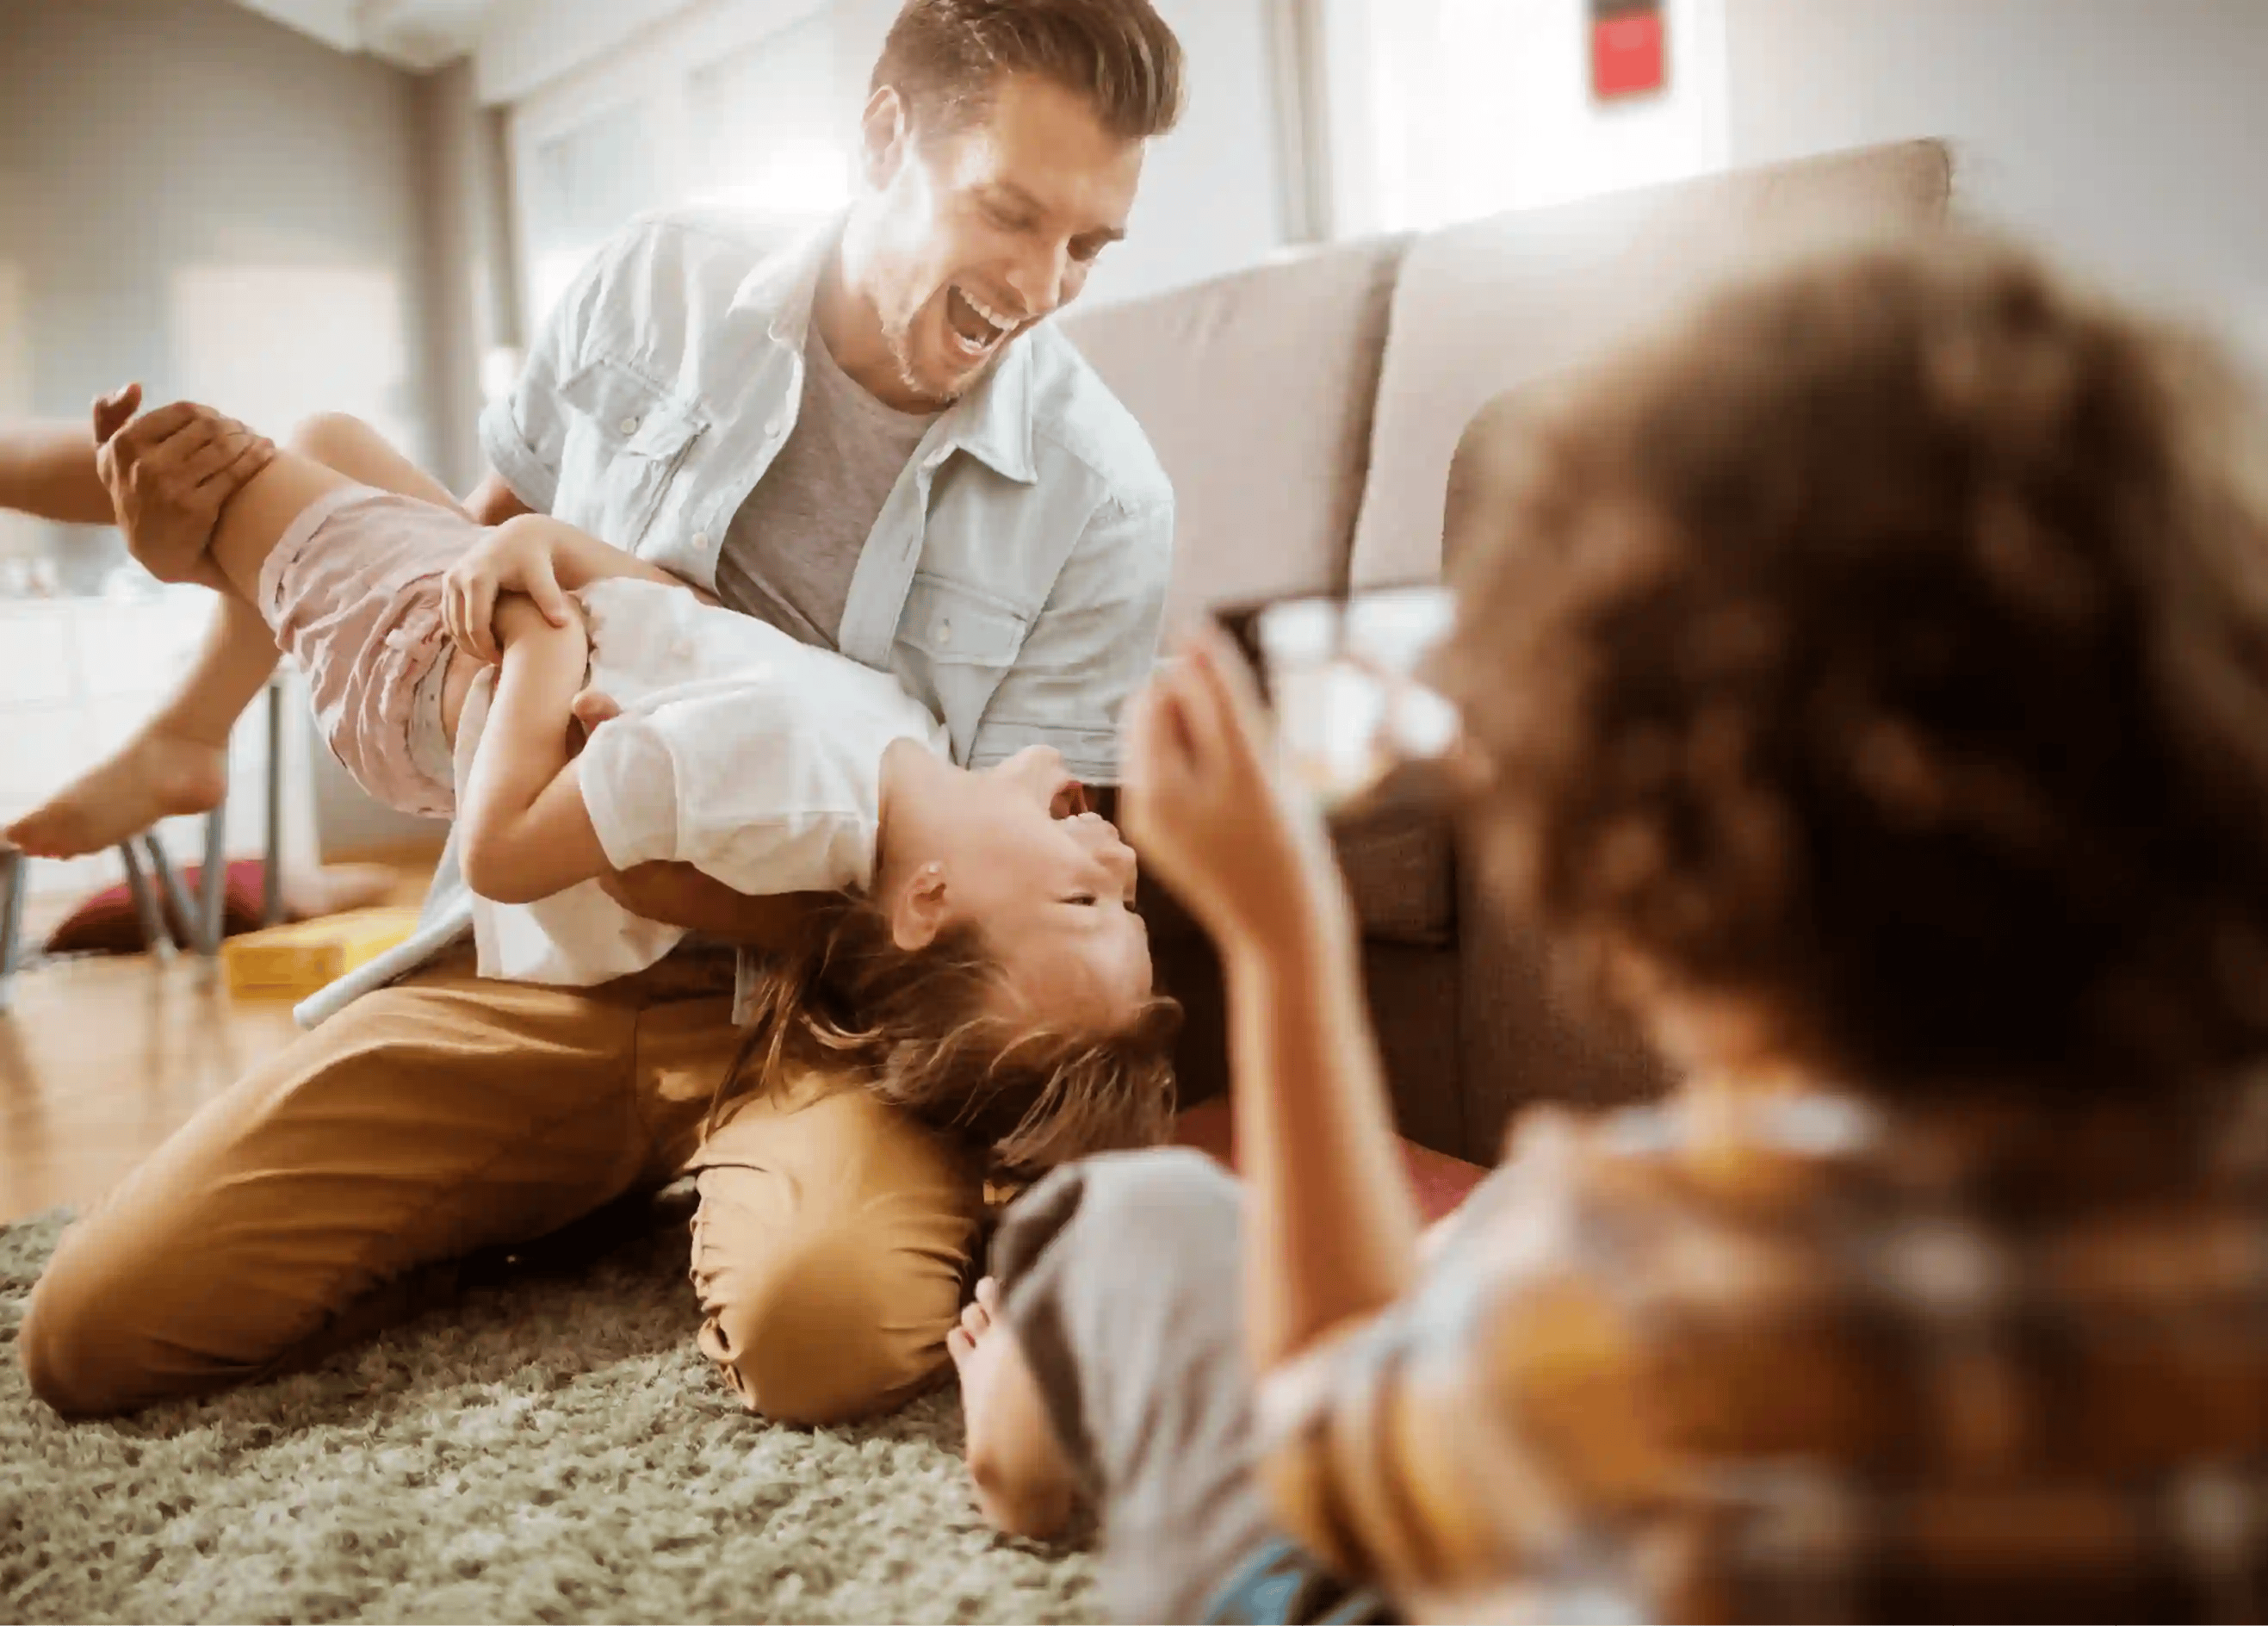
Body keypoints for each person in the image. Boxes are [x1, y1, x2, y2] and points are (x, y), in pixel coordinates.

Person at [951, 231, 2268, 1626]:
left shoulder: (1620, 1284)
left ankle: (1017, 1437)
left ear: (1629, 872)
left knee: (1142, 1216)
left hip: (1417, 1499)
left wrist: (1285, 944)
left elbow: (1326, 1448)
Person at [10, 0, 1187, 1423]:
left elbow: (972, 934)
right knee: (95, 1332)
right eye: (1008, 212)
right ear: (885, 134)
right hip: (540, 972)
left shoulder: (1099, 498)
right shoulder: (658, 283)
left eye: (1089, 243)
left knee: (828, 1329)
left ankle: (624, 1187)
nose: (1044, 283)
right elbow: (476, 550)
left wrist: (646, 833)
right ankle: (206, 701)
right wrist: (241, 565)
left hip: (802, 1024)